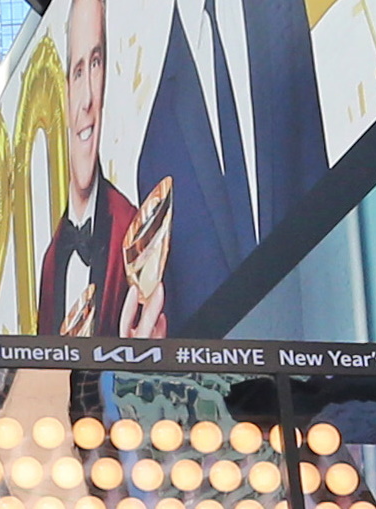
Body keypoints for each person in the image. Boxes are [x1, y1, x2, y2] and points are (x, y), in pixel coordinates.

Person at [130, 0, 324, 335]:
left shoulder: (283, 14)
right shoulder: (155, 155)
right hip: (244, 385)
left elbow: (323, 183)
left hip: (342, 351)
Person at [36, 0, 138, 337]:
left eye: (96, 64)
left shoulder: (132, 229)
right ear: (64, 89)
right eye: (78, 72)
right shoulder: (52, 261)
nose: (87, 100)